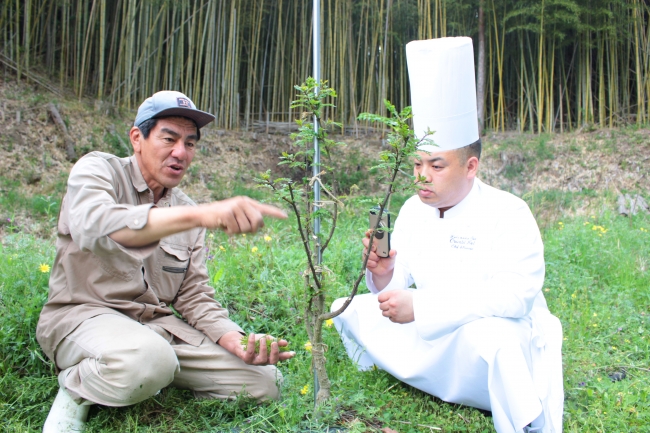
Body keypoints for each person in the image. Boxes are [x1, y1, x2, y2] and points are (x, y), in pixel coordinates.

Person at [331, 38, 563, 433]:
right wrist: (385, 271)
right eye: (418, 163)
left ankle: (520, 417)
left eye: (436, 165)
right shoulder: (410, 208)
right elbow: (395, 286)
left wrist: (423, 307)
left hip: (484, 332)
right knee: (348, 307)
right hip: (427, 324)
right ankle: (402, 370)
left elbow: (515, 298)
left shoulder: (509, 211)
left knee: (498, 342)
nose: (422, 175)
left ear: (470, 166)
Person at [37, 90, 295, 433]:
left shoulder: (186, 209)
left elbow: (194, 294)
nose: (180, 153)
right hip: (82, 316)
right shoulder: (99, 170)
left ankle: (145, 371)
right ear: (137, 138)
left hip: (154, 329)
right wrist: (201, 214)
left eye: (189, 143)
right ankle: (76, 386)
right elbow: (96, 224)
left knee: (266, 381)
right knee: (149, 359)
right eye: (169, 139)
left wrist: (232, 338)